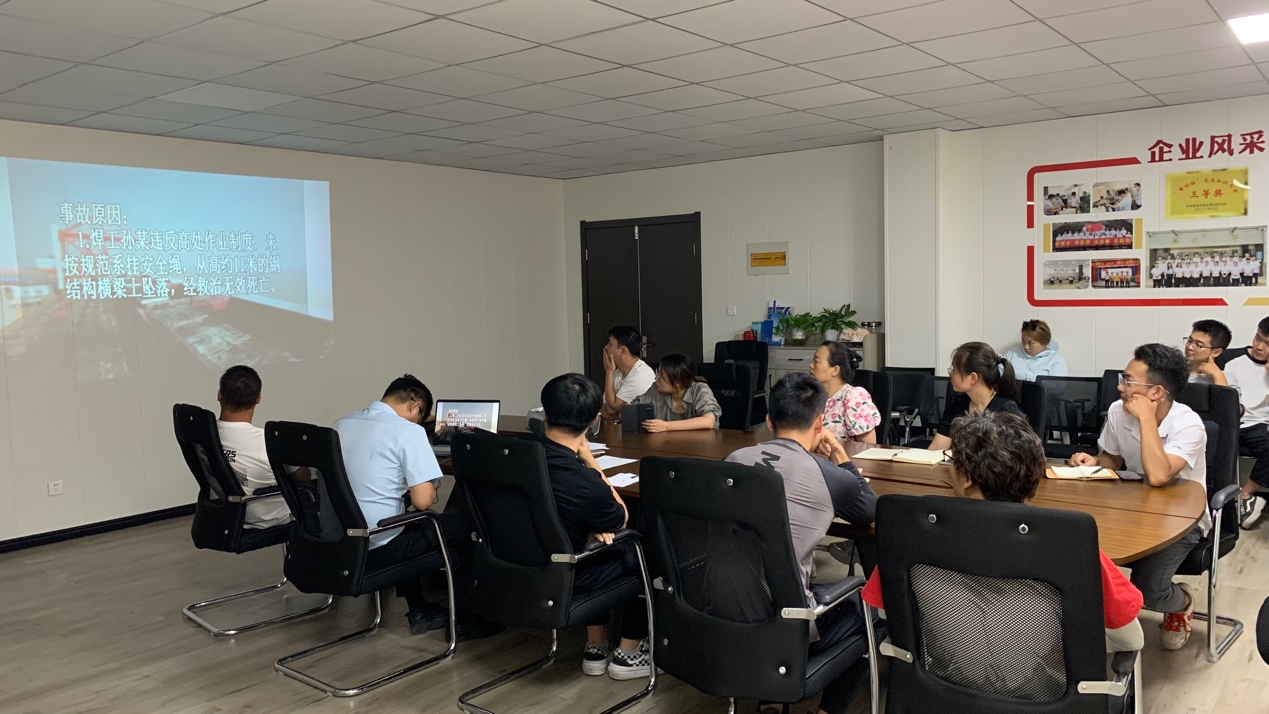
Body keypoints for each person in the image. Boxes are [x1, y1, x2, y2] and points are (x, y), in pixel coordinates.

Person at [861, 411, 1145, 650]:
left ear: (967, 478)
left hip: (943, 679)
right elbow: (1130, 638)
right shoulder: (1068, 546)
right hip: (1043, 685)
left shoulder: (912, 534)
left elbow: (888, 611)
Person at [725, 373, 877, 714]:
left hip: (721, 612)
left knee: (765, 575)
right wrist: (841, 455)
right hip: (784, 626)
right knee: (865, 608)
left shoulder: (733, 460)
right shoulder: (825, 473)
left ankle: (771, 703)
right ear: (820, 423)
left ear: (768, 421)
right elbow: (868, 509)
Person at [334, 374, 502, 640]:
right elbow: (423, 501)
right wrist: (426, 485)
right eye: (421, 417)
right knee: (469, 522)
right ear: (415, 406)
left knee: (409, 520)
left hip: (342, 540)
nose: (419, 424)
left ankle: (420, 609)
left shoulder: (342, 424)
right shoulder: (407, 431)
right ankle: (467, 618)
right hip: (380, 544)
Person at [1070, 344, 1209, 650]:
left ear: (1156, 393)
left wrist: (1146, 419)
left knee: (1148, 591)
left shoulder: (1188, 425)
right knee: (1079, 552)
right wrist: (1093, 462)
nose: (1120, 387)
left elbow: (1159, 476)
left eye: (1128, 381)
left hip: (1180, 519)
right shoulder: (1118, 411)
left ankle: (1182, 602)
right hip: (1131, 508)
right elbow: (1111, 458)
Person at [522, 374, 652, 680]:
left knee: (592, 540)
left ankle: (596, 644)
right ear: (594, 421)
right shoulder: (584, 483)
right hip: (567, 575)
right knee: (643, 547)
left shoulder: (517, 453)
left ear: (544, 413)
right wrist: (590, 461)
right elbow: (620, 517)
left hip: (520, 567)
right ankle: (628, 653)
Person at [214, 365, 291, 530]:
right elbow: (302, 477)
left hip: (222, 516)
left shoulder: (203, 436)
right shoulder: (268, 442)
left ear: (219, 395)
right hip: (267, 519)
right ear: (258, 399)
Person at [928, 342, 1026, 452]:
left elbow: (1023, 455)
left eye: (954, 370)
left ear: (973, 378)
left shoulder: (1007, 412)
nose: (950, 374)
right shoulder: (957, 404)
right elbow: (936, 448)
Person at [1225, 317, 1269, 507]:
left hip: (1261, 426)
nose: (1259, 346)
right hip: (1233, 423)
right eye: (1257, 338)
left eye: (1268, 344)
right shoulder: (1230, 360)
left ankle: (1244, 496)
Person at [809, 341, 882, 443]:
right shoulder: (812, 395)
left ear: (835, 370)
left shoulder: (853, 396)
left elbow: (868, 446)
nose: (811, 365)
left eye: (816, 361)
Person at [632, 353, 721, 432]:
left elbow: (708, 421)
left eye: (661, 376)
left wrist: (666, 426)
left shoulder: (699, 390)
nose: (656, 378)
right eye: (657, 373)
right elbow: (633, 408)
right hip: (665, 443)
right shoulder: (656, 389)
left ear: (677, 382)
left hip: (700, 443)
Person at [601, 325, 655, 421]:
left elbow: (610, 409)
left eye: (610, 344)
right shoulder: (617, 372)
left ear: (622, 351)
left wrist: (608, 372)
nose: (606, 347)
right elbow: (604, 409)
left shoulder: (641, 375)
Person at [1004, 319, 1068, 381]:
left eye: (1031, 343)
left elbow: (1056, 386)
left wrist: (1026, 376)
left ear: (1044, 342)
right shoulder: (1011, 354)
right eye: (1023, 341)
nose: (1026, 347)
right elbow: (999, 375)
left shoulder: (1056, 360)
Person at [1185, 319, 1231, 386]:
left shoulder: (1228, 379)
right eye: (1189, 341)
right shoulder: (1174, 372)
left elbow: (1227, 393)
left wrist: (1217, 375)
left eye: (1198, 345)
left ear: (1216, 352)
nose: (1190, 347)